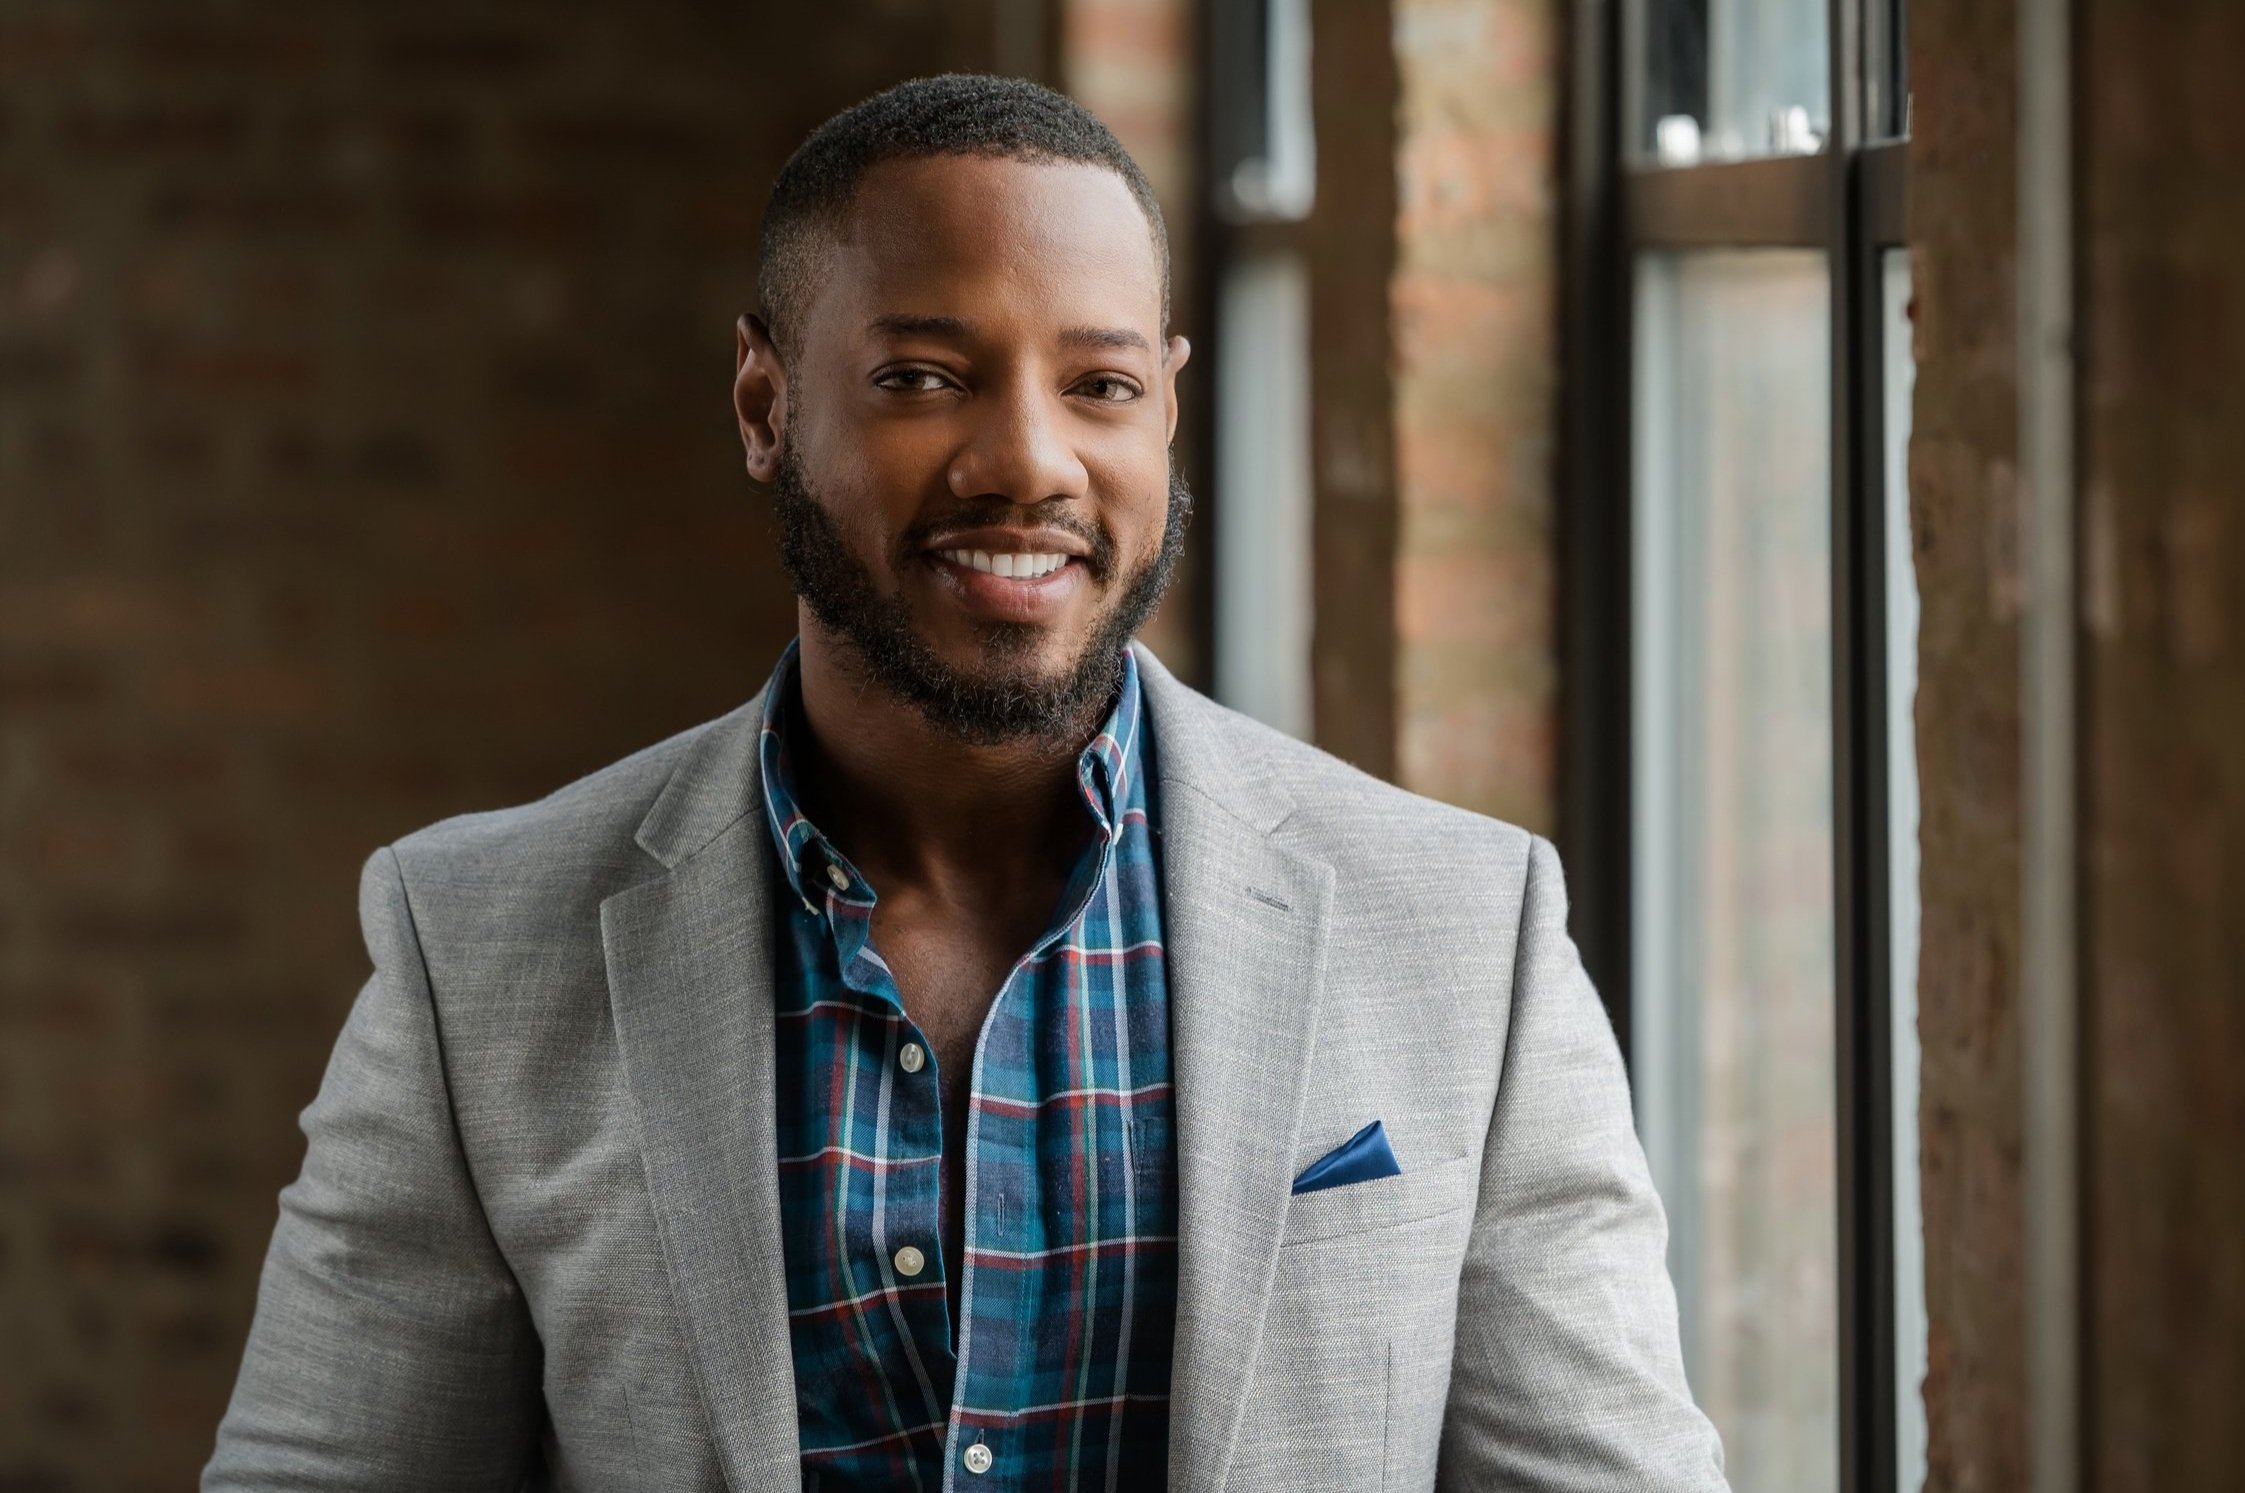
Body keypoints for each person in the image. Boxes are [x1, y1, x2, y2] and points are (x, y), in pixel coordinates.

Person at [204, 73, 1727, 1493]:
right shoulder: (478, 946)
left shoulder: (1465, 928)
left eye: (1101, 385)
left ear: (1170, 404)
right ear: (764, 405)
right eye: (925, 375)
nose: (1028, 461)